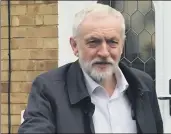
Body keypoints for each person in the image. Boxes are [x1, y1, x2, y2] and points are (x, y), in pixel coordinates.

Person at [18, 3, 163, 133]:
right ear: (74, 46)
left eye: (112, 42)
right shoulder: (48, 89)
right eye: (94, 42)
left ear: (122, 46)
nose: (104, 52)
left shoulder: (143, 84)